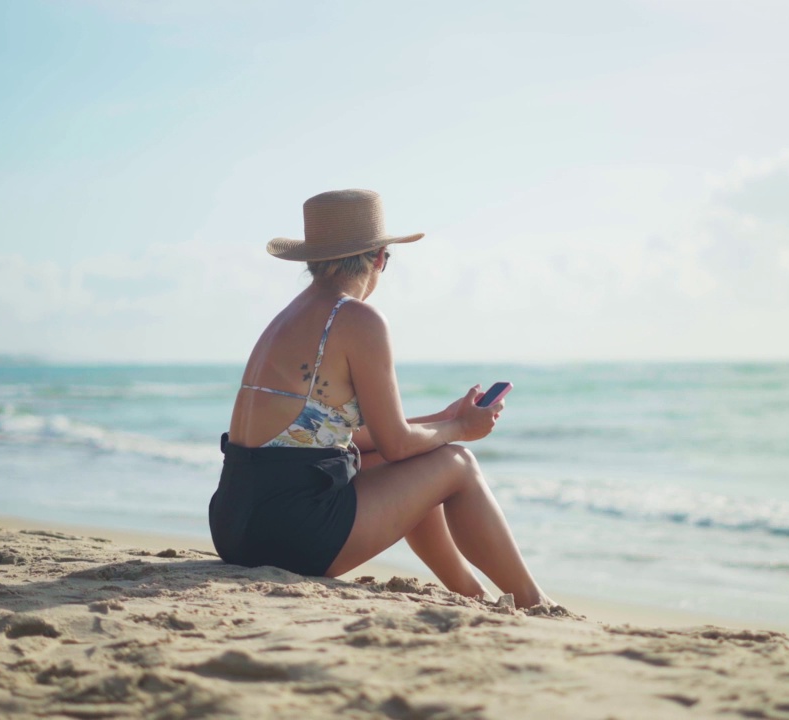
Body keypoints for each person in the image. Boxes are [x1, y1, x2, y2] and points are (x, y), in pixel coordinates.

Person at [210, 189, 551, 608]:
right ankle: (534, 601)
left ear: (314, 261)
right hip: (287, 534)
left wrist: (441, 419)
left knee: (417, 460)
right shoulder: (355, 317)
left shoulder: (290, 316)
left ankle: (473, 594)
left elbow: (348, 438)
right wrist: (461, 428)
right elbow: (396, 443)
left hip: (235, 523)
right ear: (378, 259)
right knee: (457, 463)